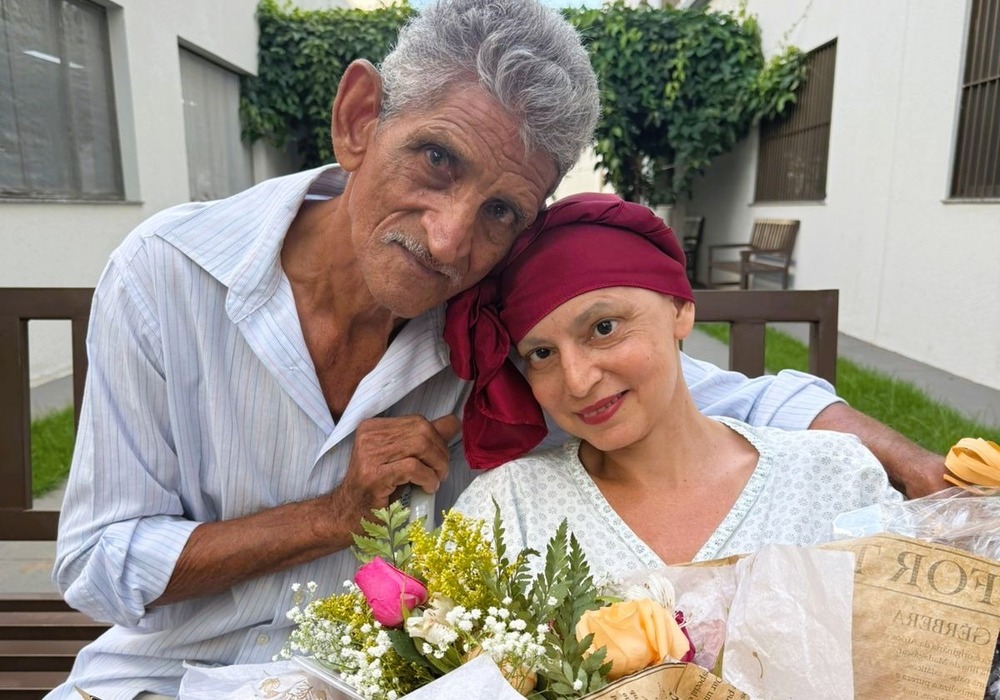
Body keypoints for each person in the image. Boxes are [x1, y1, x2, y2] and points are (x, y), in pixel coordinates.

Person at [49, 0, 940, 697]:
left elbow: (694, 387)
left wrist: (911, 463)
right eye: (436, 159)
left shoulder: (500, 330)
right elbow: (96, 564)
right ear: (359, 119)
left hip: (381, 684)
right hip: (160, 681)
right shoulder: (167, 277)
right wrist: (331, 517)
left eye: (501, 211)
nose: (448, 240)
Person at [449, 193, 905, 572]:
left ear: (680, 308)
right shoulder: (507, 511)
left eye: (604, 328)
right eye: (542, 354)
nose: (578, 381)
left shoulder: (832, 478)